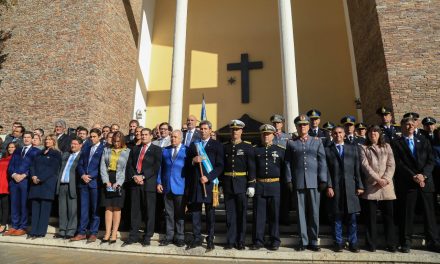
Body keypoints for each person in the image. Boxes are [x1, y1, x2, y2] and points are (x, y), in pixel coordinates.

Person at [391, 117, 440, 253]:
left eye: (412, 124)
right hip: (408, 183)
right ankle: (406, 242)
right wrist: (413, 176)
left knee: (429, 214)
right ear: (401, 126)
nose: (410, 126)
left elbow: (431, 160)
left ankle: (433, 241)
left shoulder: (423, 141)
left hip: (425, 182)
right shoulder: (396, 143)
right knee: (407, 214)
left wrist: (423, 175)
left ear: (416, 125)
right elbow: (398, 163)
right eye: (407, 124)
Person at [285, 114, 328, 251]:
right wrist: (289, 179)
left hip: (314, 182)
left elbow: (322, 161)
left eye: (305, 124)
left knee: (314, 212)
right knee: (301, 212)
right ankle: (303, 240)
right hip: (298, 182)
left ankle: (314, 240)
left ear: (309, 126)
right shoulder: (291, 143)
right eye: (300, 125)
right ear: (297, 127)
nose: (302, 127)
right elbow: (287, 163)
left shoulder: (317, 141)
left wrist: (323, 179)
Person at [325, 126, 364, 253]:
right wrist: (329, 186)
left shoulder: (353, 148)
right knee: (337, 216)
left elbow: (357, 168)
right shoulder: (327, 150)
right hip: (335, 187)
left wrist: (360, 185)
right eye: (335, 133)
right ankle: (338, 242)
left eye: (340, 133)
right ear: (332, 135)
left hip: (350, 187)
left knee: (352, 217)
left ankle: (353, 242)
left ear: (344, 134)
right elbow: (326, 170)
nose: (337, 135)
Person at [186, 120, 224, 251]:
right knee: (195, 212)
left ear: (210, 130)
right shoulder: (193, 146)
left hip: (209, 184)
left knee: (210, 213)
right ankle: (196, 237)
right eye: (201, 129)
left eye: (205, 128)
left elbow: (220, 166)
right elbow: (187, 165)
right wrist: (193, 160)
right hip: (196, 184)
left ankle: (210, 238)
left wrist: (208, 177)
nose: (202, 131)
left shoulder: (217, 145)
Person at [359, 125, 397, 252]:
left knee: (389, 217)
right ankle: (371, 244)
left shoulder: (387, 146)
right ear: (367, 134)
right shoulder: (363, 148)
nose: (373, 133)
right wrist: (377, 179)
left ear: (380, 133)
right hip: (372, 186)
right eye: (370, 132)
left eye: (375, 131)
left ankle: (391, 244)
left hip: (386, 186)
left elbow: (391, 164)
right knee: (370, 218)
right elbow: (365, 166)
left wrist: (385, 179)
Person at [123, 128, 162, 247]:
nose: (144, 136)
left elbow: (156, 166)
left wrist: (143, 176)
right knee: (135, 210)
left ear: (151, 136)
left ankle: (147, 235)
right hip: (135, 184)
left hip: (148, 184)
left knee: (149, 211)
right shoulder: (135, 149)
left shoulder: (157, 149)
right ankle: (133, 235)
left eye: (146, 135)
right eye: (142, 134)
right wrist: (135, 176)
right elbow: (129, 165)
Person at [222, 120, 255, 250]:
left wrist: (251, 184)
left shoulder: (248, 147)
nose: (234, 132)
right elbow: (223, 166)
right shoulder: (225, 146)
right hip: (228, 184)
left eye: (237, 129)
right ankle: (230, 240)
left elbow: (251, 167)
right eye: (233, 130)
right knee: (230, 214)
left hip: (242, 183)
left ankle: (240, 240)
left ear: (241, 131)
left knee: (241, 214)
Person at [249, 124, 284, 251]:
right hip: (260, 185)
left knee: (274, 216)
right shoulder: (255, 150)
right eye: (263, 134)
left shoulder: (280, 150)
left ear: (273, 135)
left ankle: (275, 240)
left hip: (275, 185)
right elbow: (252, 169)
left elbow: (284, 170)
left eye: (268, 134)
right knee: (259, 215)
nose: (265, 136)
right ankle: (258, 240)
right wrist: (252, 185)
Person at [71, 128, 105, 243]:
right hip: (84, 183)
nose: (92, 138)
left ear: (100, 137)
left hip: (95, 183)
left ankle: (93, 233)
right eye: (91, 136)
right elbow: (80, 164)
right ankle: (81, 232)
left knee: (95, 209)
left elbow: (102, 166)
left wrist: (90, 176)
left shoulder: (103, 149)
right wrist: (82, 175)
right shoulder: (86, 148)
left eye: (94, 136)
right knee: (83, 209)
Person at [4, 131, 41, 236]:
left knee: (23, 204)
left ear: (32, 139)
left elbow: (35, 166)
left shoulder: (36, 152)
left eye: (28, 137)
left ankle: (22, 226)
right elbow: (10, 166)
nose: (26, 139)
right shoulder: (17, 150)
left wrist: (24, 175)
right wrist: (14, 175)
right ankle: (14, 226)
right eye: (25, 137)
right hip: (14, 181)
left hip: (25, 181)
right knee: (14, 203)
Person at [156, 130, 188, 247]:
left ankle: (180, 237)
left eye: (175, 137)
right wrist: (159, 182)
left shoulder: (187, 150)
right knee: (169, 214)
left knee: (179, 214)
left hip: (180, 187)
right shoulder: (165, 150)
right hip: (167, 186)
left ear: (181, 138)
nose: (173, 139)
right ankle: (169, 236)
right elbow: (161, 168)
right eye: (172, 137)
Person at [27, 135, 62, 239]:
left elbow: (53, 169)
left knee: (45, 210)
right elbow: (32, 165)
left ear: (54, 142)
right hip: (35, 184)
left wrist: (40, 178)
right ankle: (33, 231)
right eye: (46, 139)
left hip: (47, 184)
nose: (47, 141)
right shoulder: (39, 152)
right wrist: (33, 176)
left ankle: (40, 232)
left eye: (50, 139)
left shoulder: (56, 154)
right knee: (35, 209)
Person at [100, 131, 130, 244]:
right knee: (108, 207)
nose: (116, 143)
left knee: (117, 207)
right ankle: (107, 232)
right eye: (114, 141)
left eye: (118, 141)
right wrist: (106, 181)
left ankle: (114, 233)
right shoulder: (106, 150)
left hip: (119, 181)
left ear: (122, 141)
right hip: (108, 179)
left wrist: (119, 182)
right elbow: (102, 166)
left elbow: (125, 169)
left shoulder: (127, 151)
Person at [54, 137, 83, 240]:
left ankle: (71, 231)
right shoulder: (66, 155)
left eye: (75, 144)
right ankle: (62, 230)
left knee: (72, 210)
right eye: (72, 144)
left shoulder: (81, 156)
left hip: (73, 185)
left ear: (81, 145)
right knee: (62, 209)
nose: (72, 145)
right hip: (62, 185)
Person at [0, 142, 17, 233]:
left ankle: (3, 224)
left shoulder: (16, 159)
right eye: (9, 147)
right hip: (0, 183)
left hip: (7, 183)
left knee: (5, 205)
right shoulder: (4, 158)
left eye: (13, 147)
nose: (10, 149)